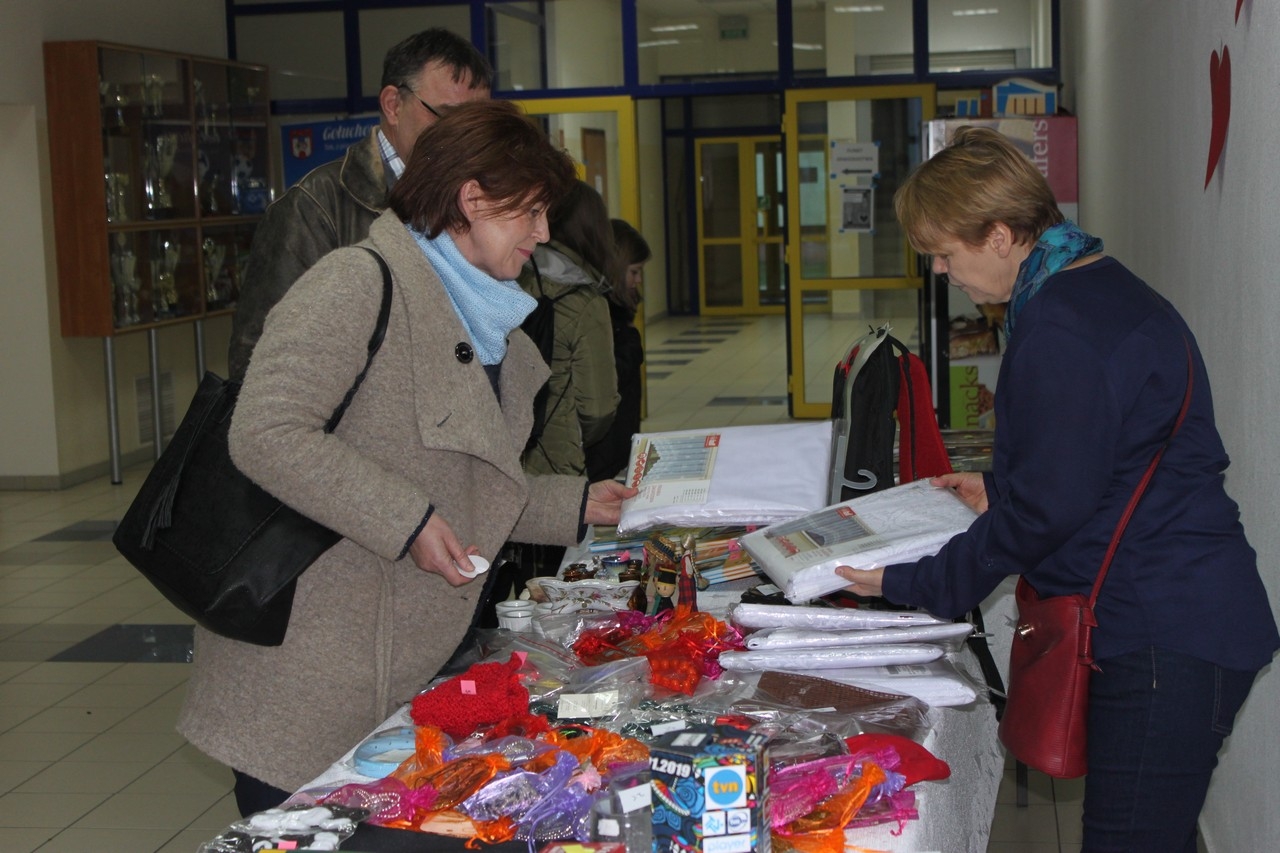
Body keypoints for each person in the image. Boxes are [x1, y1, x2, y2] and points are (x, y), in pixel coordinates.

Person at [178, 100, 637, 817]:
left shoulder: (485, 319)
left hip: (400, 662)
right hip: (306, 670)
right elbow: (265, 431)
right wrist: (408, 520)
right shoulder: (356, 283)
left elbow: (472, 482)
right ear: (472, 200)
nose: (544, 233)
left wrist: (582, 503)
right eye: (531, 212)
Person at [835, 126, 1279, 853]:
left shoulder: (1060, 327)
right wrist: (1002, 483)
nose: (942, 271)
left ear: (999, 235)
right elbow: (1106, 452)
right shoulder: (1093, 285)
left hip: (1161, 631)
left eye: (945, 253)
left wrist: (913, 581)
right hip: (1180, 608)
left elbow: (1047, 511)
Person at [226, 27, 492, 380]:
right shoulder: (315, 207)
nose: (465, 136)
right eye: (447, 116)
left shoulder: (481, 200)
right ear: (393, 105)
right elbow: (257, 362)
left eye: (477, 122)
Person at [518, 180, 620, 478]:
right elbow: (597, 409)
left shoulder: (508, 275)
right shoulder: (584, 301)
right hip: (554, 464)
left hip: (499, 462)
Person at [585, 218, 649, 481]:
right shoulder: (599, 315)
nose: (638, 280)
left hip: (616, 445)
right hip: (602, 450)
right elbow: (607, 378)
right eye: (634, 272)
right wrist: (631, 347)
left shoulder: (617, 316)